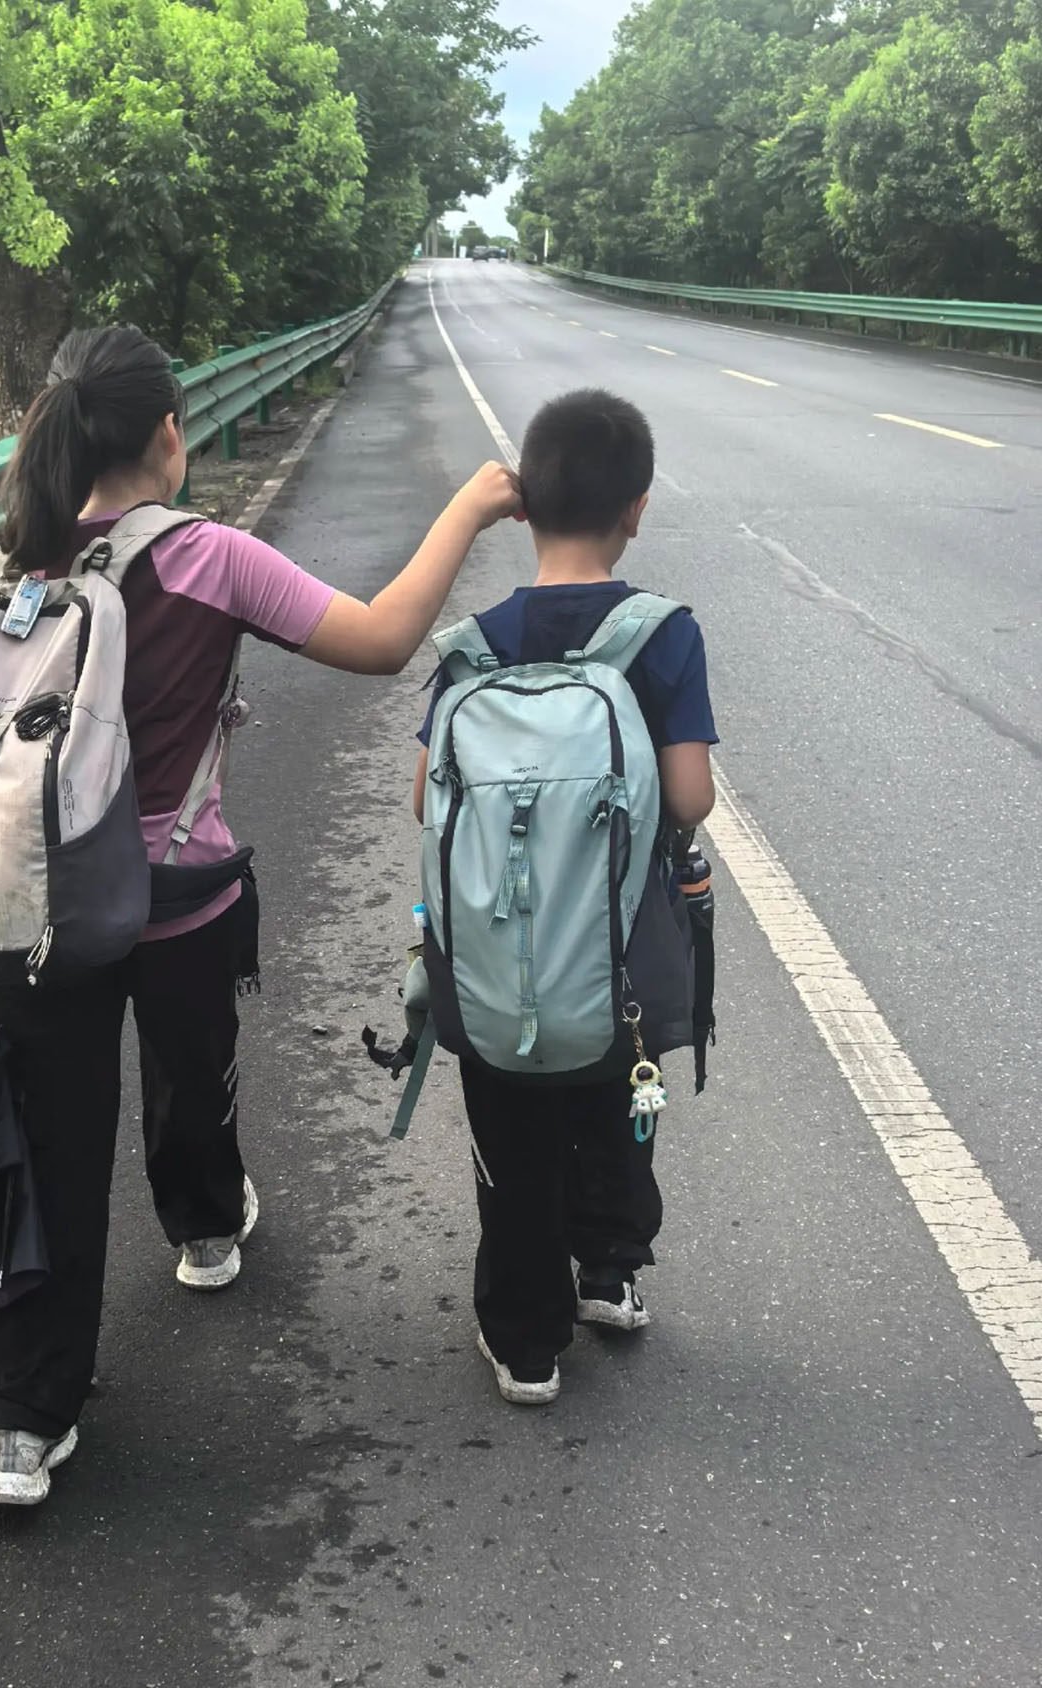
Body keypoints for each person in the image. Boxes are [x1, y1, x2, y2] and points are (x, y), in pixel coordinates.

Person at [0, 324, 521, 1507]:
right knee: (190, 1064)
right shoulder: (208, 556)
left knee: (51, 1150)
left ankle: (21, 1423)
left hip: (34, 908)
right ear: (172, 432)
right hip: (173, 892)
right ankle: (207, 1228)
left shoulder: (12, 562)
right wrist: (468, 509)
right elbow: (379, 639)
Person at [411, 388, 713, 1406]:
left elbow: (425, 801)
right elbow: (688, 795)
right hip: (623, 948)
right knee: (617, 1101)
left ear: (523, 507)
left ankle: (528, 1339)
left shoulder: (470, 644)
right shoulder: (661, 634)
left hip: (496, 959)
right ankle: (612, 1272)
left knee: (513, 1130)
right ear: (638, 507)